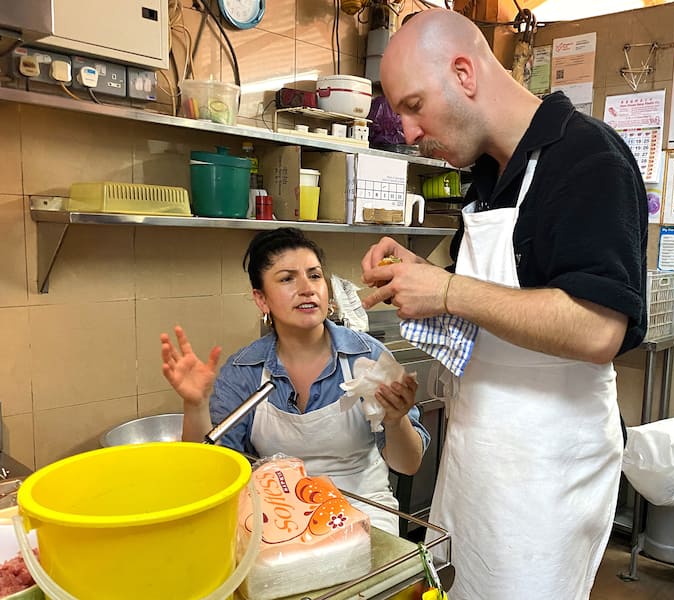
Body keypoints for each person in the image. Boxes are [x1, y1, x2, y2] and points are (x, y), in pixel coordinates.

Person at [359, 9, 647, 599]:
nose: (409, 132)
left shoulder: (589, 160)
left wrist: (446, 290)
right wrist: (423, 275)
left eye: (413, 106)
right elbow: (504, 295)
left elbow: (598, 327)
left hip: (547, 475)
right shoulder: (487, 174)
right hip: (477, 457)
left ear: (464, 72)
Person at [160, 228, 429, 534]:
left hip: (362, 512)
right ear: (261, 299)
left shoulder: (366, 358)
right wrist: (195, 405)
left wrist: (395, 420)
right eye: (287, 278)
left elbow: (408, 465)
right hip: (279, 517)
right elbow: (212, 475)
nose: (307, 288)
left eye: (314, 276)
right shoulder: (245, 370)